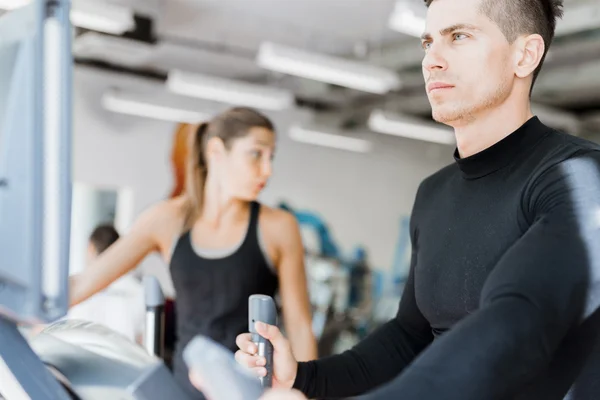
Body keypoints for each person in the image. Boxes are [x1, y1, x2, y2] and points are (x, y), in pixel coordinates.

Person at [229, 0, 600, 399]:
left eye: (458, 36)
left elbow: (516, 324)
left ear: (524, 55)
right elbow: (409, 339)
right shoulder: (434, 193)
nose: (431, 61)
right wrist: (303, 378)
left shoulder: (577, 177)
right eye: (427, 43)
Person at [68, 107, 318, 399]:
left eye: (271, 157)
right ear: (216, 151)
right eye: (256, 154)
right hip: (181, 389)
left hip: (247, 390)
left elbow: (300, 325)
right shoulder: (167, 220)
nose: (267, 170)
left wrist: (307, 394)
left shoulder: (277, 227)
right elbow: (84, 284)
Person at [67, 224, 145, 344]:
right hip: (125, 359)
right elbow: (142, 341)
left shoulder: (77, 288)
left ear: (91, 249)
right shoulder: (139, 290)